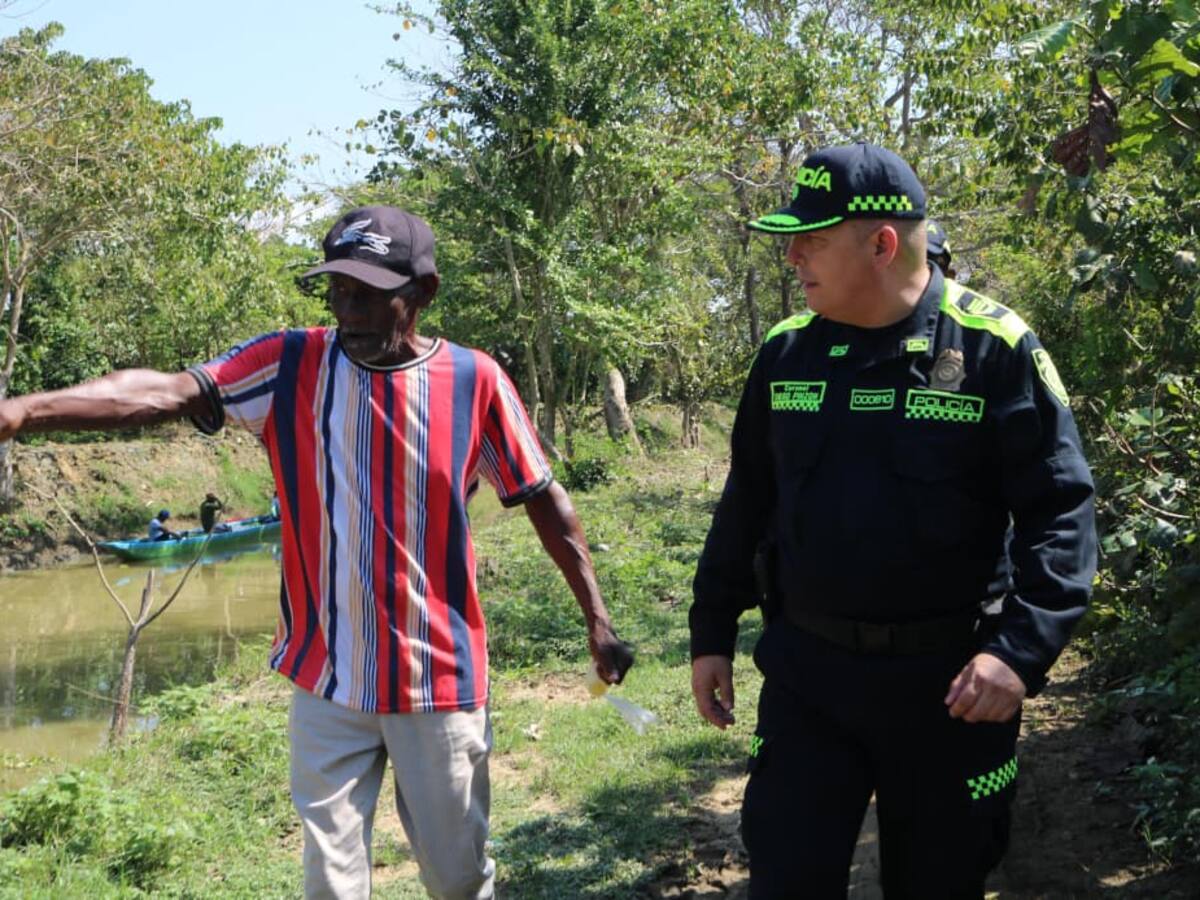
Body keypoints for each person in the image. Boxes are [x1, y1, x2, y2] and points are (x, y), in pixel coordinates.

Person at [0, 204, 634, 899]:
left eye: (368, 293)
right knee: (330, 883)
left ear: (422, 293)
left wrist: (595, 617)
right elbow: (167, 390)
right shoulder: (288, 364)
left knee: (455, 879)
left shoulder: (473, 380)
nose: (349, 310)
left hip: (437, 680)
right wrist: (25, 412)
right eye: (338, 290)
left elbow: (543, 497)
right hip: (325, 676)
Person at [689, 143, 1096, 897]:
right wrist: (711, 630)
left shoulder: (995, 349)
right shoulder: (786, 354)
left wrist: (1020, 652)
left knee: (939, 882)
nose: (793, 258)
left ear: (880, 244)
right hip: (809, 678)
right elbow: (748, 500)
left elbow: (1060, 513)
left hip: (951, 691)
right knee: (785, 877)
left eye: (811, 240)